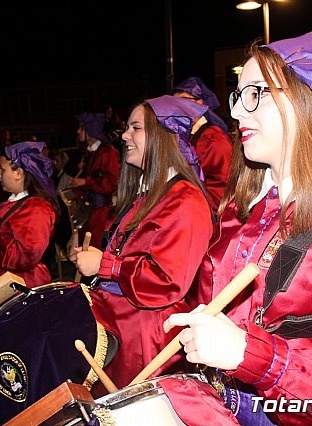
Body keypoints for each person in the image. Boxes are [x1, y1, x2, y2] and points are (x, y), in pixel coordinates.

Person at [163, 31, 312, 425]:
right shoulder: (243, 212)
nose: (237, 113)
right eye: (238, 96)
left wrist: (256, 357)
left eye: (256, 93)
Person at [71, 95, 213, 393]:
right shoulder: (148, 195)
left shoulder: (185, 201)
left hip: (146, 339)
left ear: (162, 137)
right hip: (124, 327)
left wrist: (105, 265)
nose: (124, 135)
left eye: (136, 128)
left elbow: (167, 281)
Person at [0, 141, 58, 288]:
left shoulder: (36, 209)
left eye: (2, 169)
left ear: (18, 173)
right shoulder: (15, 201)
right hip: (4, 280)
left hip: (18, 287)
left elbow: (26, 256)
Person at [173, 76, 233, 212]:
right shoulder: (184, 136)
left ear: (200, 103)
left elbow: (220, 192)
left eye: (182, 100)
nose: (176, 107)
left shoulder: (214, 138)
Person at [71, 112, 120, 249]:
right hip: (89, 211)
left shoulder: (107, 152)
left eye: (82, 128)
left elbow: (111, 182)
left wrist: (86, 182)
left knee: (93, 248)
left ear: (91, 130)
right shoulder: (91, 152)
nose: (78, 131)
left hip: (99, 214)